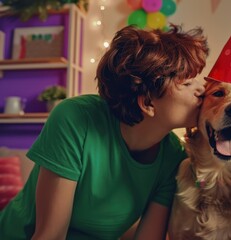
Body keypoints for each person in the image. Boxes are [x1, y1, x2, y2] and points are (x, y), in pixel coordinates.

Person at [0, 24, 209, 240]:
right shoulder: (75, 118)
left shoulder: (174, 156)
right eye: (187, 83)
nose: (202, 89)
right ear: (148, 102)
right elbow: (50, 235)